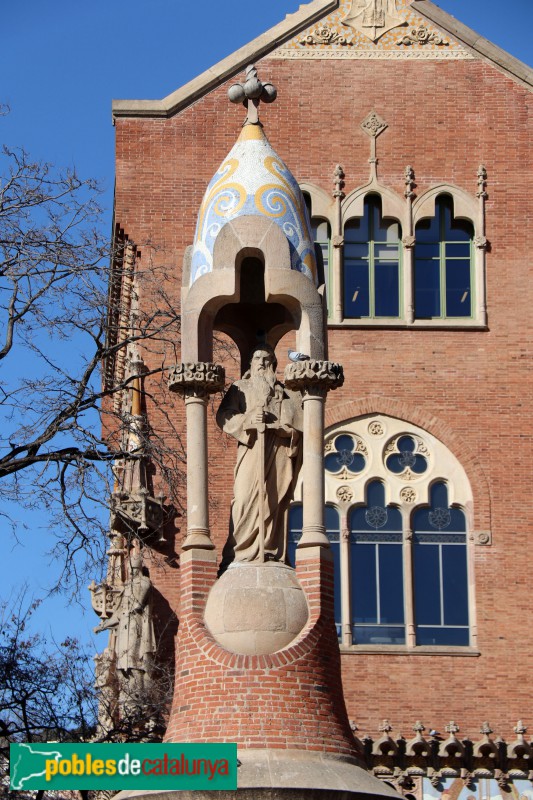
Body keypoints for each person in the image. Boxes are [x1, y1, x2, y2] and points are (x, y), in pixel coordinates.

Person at [216, 344, 303, 566]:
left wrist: (278, 427)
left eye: (267, 359)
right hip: (252, 447)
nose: (262, 363)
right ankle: (240, 550)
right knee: (244, 497)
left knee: (274, 500)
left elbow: (297, 427)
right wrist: (248, 420)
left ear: (273, 364)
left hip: (278, 450)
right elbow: (224, 416)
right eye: (257, 358)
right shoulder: (240, 388)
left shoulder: (284, 393)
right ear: (251, 364)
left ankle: (270, 550)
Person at [94, 553, 155, 708]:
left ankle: (139, 697)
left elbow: (138, 603)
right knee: (122, 664)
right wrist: (103, 625)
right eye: (130, 568)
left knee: (135, 661)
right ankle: (126, 698)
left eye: (134, 568)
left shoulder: (144, 582)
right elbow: (119, 613)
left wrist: (129, 605)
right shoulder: (127, 586)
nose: (132, 571)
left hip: (135, 625)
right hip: (124, 629)